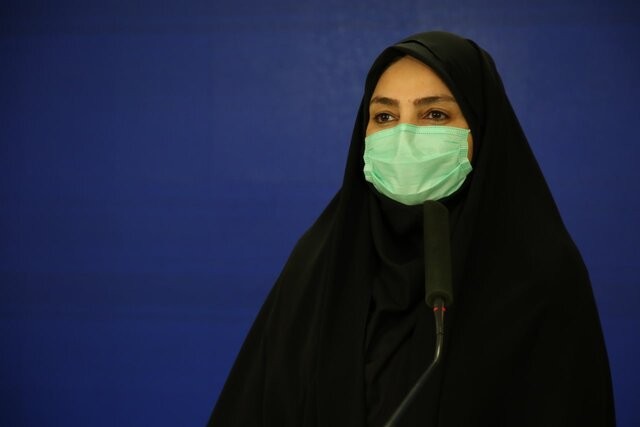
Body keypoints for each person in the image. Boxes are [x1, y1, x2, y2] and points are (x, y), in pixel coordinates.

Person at [208, 31, 615, 426]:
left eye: (435, 114)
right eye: (384, 116)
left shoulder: (541, 274)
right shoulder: (319, 264)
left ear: (481, 127)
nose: (404, 136)